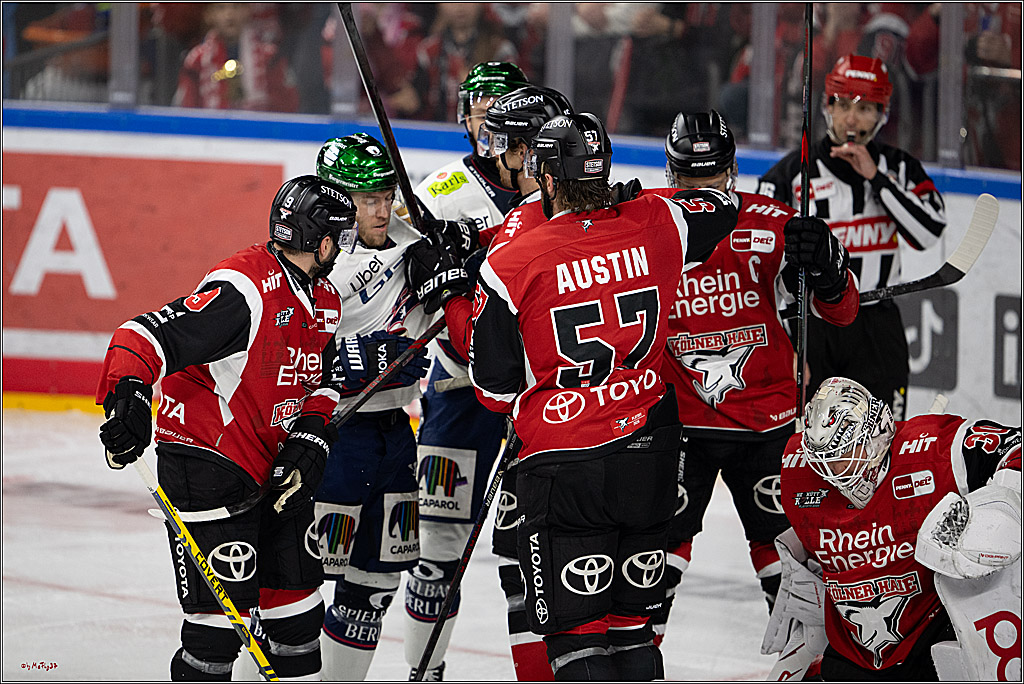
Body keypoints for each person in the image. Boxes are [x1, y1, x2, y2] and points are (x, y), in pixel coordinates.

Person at [462, 112, 738, 680]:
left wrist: (459, 295)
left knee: (578, 637)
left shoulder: (509, 263)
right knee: (634, 628)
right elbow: (721, 207)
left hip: (566, 469)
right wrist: (635, 199)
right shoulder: (659, 219)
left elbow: (493, 391)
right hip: (651, 455)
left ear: (543, 174)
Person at [96, 175, 405, 680]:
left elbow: (321, 377)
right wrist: (128, 393)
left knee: (300, 621)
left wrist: (311, 433)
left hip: (271, 469)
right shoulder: (243, 289)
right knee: (215, 635)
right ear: (323, 241)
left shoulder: (324, 300)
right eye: (340, 235)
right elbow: (143, 332)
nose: (344, 245)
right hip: (208, 463)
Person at [649, 110, 860, 647]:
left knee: (790, 572)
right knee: (650, 574)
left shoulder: (775, 222)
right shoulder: (644, 221)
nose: (698, 190)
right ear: (670, 172)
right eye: (687, 178)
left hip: (766, 424)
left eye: (711, 176)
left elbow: (841, 313)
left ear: (734, 169)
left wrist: (829, 271)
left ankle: (804, 667)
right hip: (679, 424)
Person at [406, 76, 571, 681]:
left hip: (541, 398)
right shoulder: (444, 192)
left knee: (527, 552)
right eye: (479, 111)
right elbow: (403, 290)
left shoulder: (566, 192)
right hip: (459, 393)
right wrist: (434, 272)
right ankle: (427, 670)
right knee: (437, 552)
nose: (485, 125)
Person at [765, 376, 1021, 680]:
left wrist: (998, 510)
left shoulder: (934, 448)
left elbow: (1015, 446)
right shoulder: (799, 470)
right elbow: (810, 546)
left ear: (875, 436)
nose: (834, 470)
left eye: (844, 454)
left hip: (930, 636)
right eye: (825, 460)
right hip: (852, 648)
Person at [757, 54, 947, 421]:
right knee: (812, 442)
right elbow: (765, 268)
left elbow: (928, 233)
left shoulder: (901, 168)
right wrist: (790, 342)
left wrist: (877, 178)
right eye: (842, 105)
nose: (851, 119)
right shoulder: (789, 174)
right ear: (827, 106)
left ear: (883, 113)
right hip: (813, 324)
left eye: (865, 109)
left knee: (887, 438)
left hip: (877, 324)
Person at [311, 133, 433, 681]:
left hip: (392, 433)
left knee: (377, 582)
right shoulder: (316, 266)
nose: (382, 209)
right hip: (331, 435)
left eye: (386, 195)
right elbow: (285, 350)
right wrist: (353, 355)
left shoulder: (416, 243)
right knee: (299, 580)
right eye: (367, 200)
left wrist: (456, 261)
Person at [173, 2, 298, 112]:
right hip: (210, 134)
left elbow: (288, 105)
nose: (229, 15)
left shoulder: (270, 57)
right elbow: (187, 108)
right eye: (221, 8)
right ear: (208, 15)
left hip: (258, 133)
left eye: (236, 6)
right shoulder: (196, 61)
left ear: (247, 10)